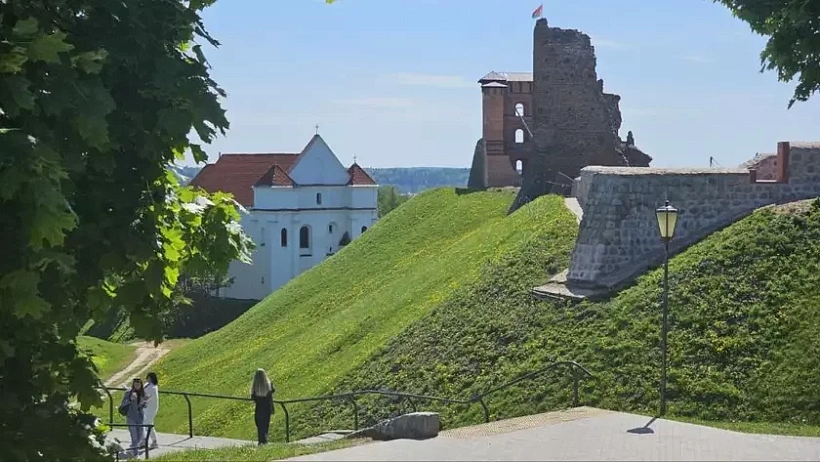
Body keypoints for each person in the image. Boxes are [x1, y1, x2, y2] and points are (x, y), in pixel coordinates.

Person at [121, 378, 147, 458]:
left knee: (139, 436)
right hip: (131, 416)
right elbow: (123, 404)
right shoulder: (129, 393)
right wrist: (130, 400)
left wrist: (143, 403)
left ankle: (132, 447)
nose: (137, 386)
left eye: (138, 385)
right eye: (135, 384)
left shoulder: (143, 393)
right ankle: (135, 454)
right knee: (134, 436)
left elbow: (142, 406)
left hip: (140, 417)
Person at [250, 368, 275, 445]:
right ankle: (265, 441)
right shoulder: (269, 384)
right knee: (265, 425)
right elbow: (273, 390)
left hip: (259, 408)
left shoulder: (255, 387)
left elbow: (252, 397)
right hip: (267, 407)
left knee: (259, 426)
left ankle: (260, 441)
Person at [141, 372, 160, 449]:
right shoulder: (147, 385)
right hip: (146, 408)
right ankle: (153, 441)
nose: (147, 379)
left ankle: (144, 440)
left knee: (146, 424)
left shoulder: (152, 388)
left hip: (151, 408)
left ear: (151, 378)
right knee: (148, 424)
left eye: (148, 378)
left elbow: (145, 396)